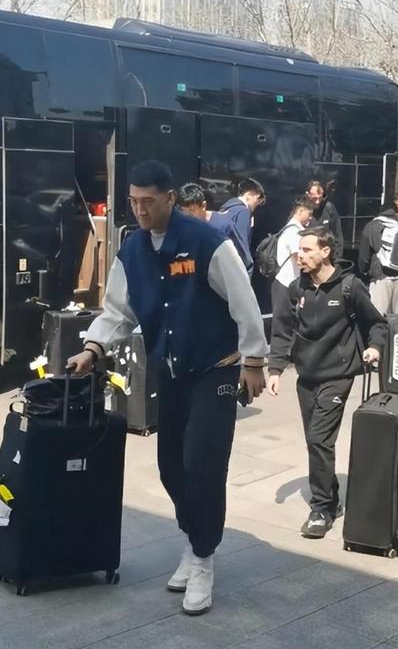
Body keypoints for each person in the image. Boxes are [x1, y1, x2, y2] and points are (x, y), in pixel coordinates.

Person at [68, 160, 267, 615]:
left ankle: (203, 558)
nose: (140, 210)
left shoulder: (205, 241)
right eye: (134, 202)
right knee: (171, 468)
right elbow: (118, 311)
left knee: (202, 466)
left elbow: (244, 300)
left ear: (170, 199)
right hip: (171, 371)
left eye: (149, 202)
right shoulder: (132, 250)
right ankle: (194, 541)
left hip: (215, 368)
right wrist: (93, 348)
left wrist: (254, 360)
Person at [268, 226, 386, 538]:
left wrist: (375, 346)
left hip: (338, 374)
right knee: (315, 441)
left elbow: (377, 322)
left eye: (307, 250)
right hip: (306, 376)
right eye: (299, 249)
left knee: (320, 438)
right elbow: (282, 329)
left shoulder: (350, 286)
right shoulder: (297, 288)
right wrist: (275, 369)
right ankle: (331, 498)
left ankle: (320, 509)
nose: (300, 255)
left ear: (326, 252)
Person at [176, 182, 249, 265]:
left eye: (192, 210)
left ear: (203, 206)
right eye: (183, 211)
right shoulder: (178, 227)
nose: (187, 215)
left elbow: (242, 259)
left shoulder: (224, 226)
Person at [271, 196, 315, 323]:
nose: (311, 218)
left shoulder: (292, 228)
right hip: (286, 282)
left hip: (287, 282)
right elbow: (299, 256)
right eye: (309, 214)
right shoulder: (294, 232)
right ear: (300, 211)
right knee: (283, 324)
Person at [219, 178, 266, 274]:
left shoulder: (227, 208)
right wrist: (248, 267)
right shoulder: (243, 212)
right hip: (233, 267)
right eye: (258, 199)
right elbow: (242, 243)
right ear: (248, 195)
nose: (258, 204)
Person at [305, 180, 344, 260]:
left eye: (320, 198)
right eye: (314, 198)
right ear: (308, 195)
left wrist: (337, 259)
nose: (317, 202)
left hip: (327, 256)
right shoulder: (303, 210)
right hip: (308, 256)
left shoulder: (329, 208)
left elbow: (338, 235)